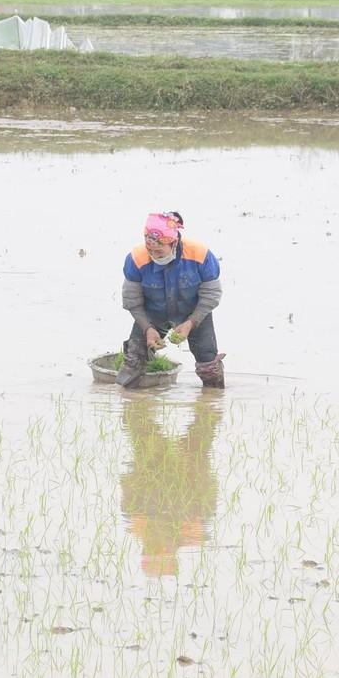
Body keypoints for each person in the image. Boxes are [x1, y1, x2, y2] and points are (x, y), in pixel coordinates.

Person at [119, 211, 225, 388]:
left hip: (194, 310)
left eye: (159, 251)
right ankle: (132, 407)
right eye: (150, 250)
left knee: (208, 364)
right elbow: (132, 300)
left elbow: (211, 295)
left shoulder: (200, 254)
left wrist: (191, 322)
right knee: (134, 358)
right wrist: (147, 329)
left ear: (174, 243)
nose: (154, 255)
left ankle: (211, 405)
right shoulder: (136, 258)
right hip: (153, 312)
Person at [119, 396, 222, 577]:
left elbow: (129, 486)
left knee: (135, 418)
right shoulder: (193, 531)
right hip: (175, 468)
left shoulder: (138, 525)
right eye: (159, 550)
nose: (160, 545)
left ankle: (210, 391)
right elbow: (209, 494)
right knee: (206, 418)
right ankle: (211, 394)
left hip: (166, 467)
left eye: (154, 549)